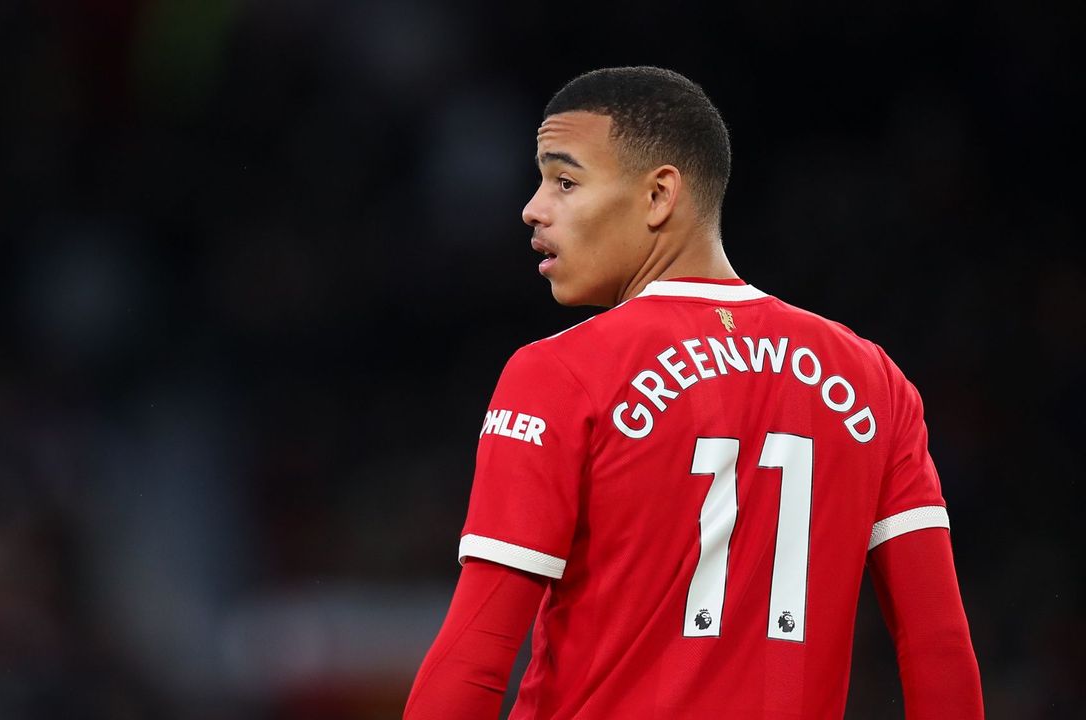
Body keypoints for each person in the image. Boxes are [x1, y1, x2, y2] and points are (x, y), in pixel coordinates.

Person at [403, 67, 983, 719]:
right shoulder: (875, 382)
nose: (533, 207)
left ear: (659, 196)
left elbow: (477, 651)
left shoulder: (561, 373)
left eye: (564, 180)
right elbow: (938, 648)